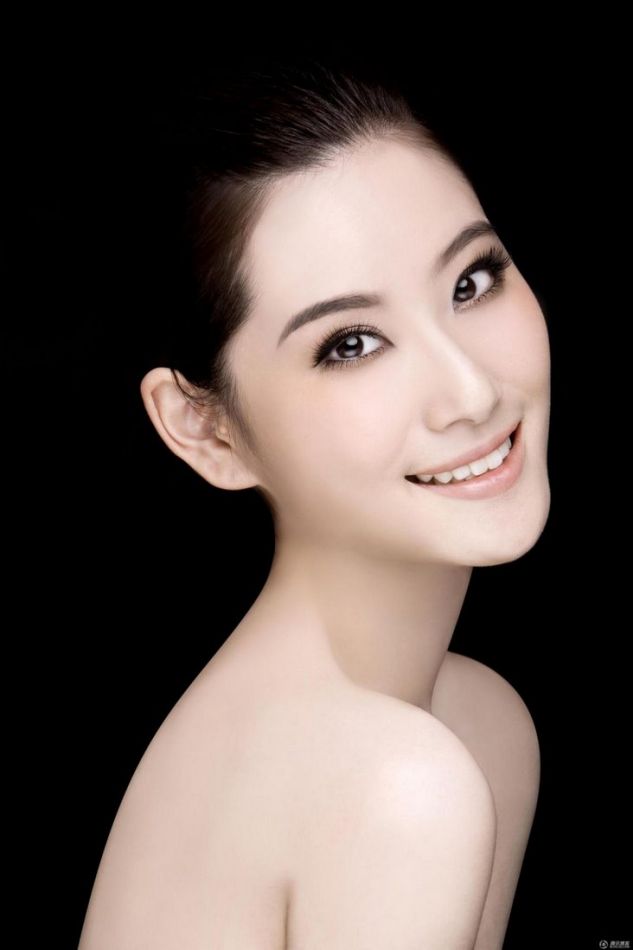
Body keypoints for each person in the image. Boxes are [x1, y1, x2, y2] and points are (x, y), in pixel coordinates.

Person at [78, 57, 551, 950]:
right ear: (205, 429)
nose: (471, 391)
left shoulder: (476, 725)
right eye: (352, 344)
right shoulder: (394, 787)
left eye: (471, 281)